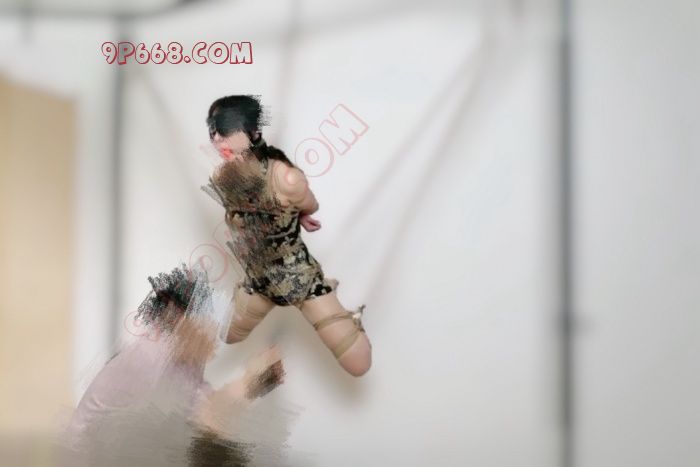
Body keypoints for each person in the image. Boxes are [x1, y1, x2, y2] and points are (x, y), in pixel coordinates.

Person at [202, 95, 372, 377]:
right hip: (258, 281)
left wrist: (298, 213)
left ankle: (333, 301)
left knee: (358, 364)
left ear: (253, 131)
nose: (218, 140)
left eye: (226, 130)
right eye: (213, 131)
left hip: (300, 281)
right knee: (226, 336)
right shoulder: (221, 178)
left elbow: (311, 205)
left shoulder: (287, 179)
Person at [59, 265, 287, 467]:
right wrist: (251, 381)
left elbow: (206, 405)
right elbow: (205, 424)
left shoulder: (186, 359)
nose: (214, 333)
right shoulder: (151, 356)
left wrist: (256, 383)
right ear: (176, 318)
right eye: (207, 320)